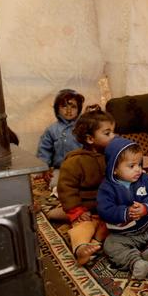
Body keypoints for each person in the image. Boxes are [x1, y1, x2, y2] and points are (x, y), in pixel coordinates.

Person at [97, 137, 148, 280]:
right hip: (124, 235)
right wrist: (125, 212)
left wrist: (146, 207)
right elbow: (104, 210)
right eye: (132, 166)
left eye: (139, 164)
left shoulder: (144, 179)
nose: (138, 169)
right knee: (109, 245)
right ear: (114, 169)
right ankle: (135, 262)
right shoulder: (107, 188)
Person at [53, 105, 115, 265]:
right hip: (85, 208)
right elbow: (66, 189)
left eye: (113, 131)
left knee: (114, 226)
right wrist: (77, 211)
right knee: (83, 227)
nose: (113, 136)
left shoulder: (112, 156)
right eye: (107, 133)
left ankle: (96, 242)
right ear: (90, 139)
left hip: (105, 208)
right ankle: (81, 249)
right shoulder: (75, 161)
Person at [37, 89, 85, 187]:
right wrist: (44, 168)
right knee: (54, 183)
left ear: (79, 109)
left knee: (89, 183)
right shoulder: (52, 130)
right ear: (57, 109)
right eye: (64, 106)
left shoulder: (84, 127)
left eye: (73, 107)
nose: (68, 110)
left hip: (83, 168)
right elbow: (44, 151)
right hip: (61, 168)